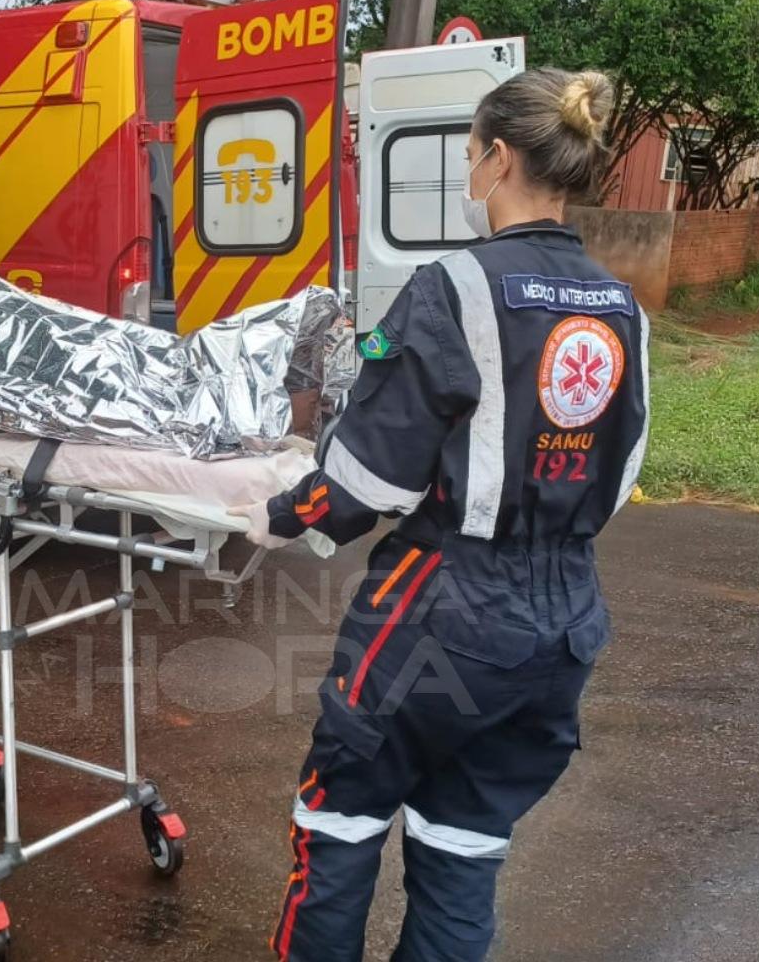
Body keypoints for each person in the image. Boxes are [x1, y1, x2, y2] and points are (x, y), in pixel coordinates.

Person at [232, 68, 649, 961]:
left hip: (445, 609)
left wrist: (274, 514)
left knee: (338, 819)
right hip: (566, 617)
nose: (467, 173)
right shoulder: (621, 308)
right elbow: (616, 476)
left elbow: (369, 480)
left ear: (497, 159)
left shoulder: (454, 288)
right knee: (464, 842)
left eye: (467, 156)